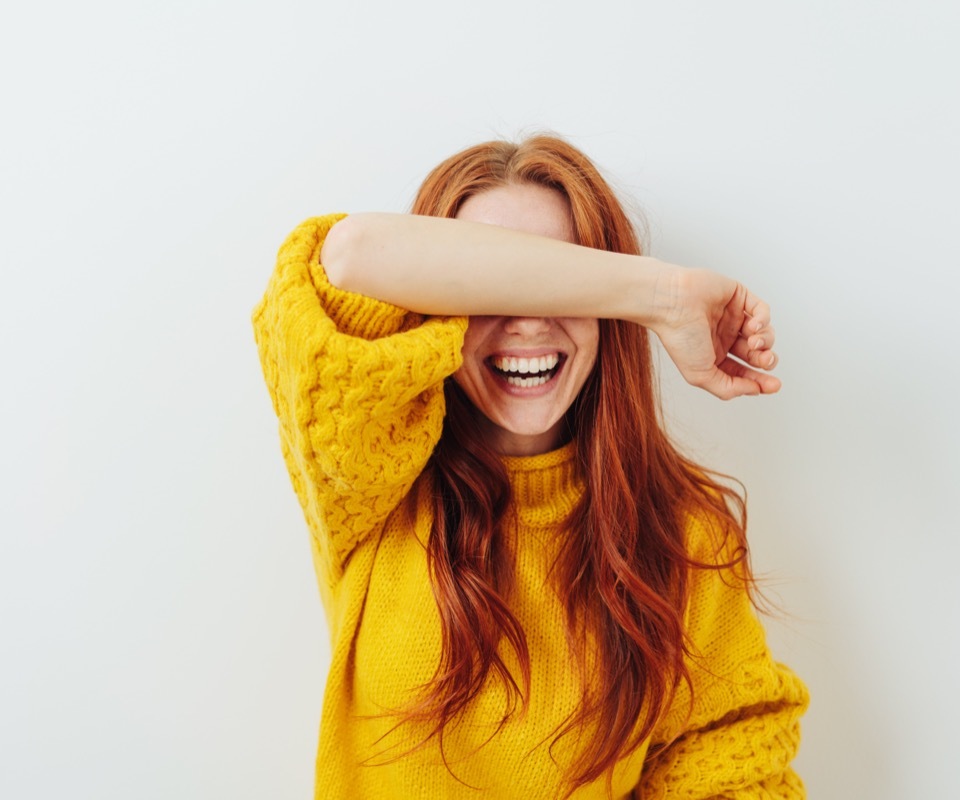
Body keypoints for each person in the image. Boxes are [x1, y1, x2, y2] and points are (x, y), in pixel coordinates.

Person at [252, 134, 808, 800]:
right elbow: (349, 256)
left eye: (559, 282)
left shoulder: (683, 529)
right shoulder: (375, 480)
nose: (527, 323)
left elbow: (730, 760)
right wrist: (663, 294)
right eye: (492, 282)